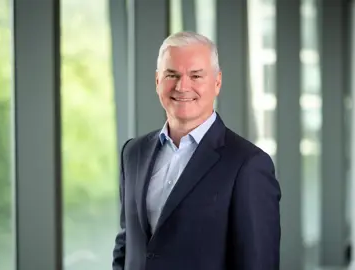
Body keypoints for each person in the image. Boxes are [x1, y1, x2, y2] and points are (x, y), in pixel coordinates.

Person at [112, 31, 281, 270]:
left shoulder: (248, 165)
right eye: (172, 74)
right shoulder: (133, 153)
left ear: (217, 82)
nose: (182, 86)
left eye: (196, 75)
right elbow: (126, 244)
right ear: (157, 81)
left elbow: (258, 263)